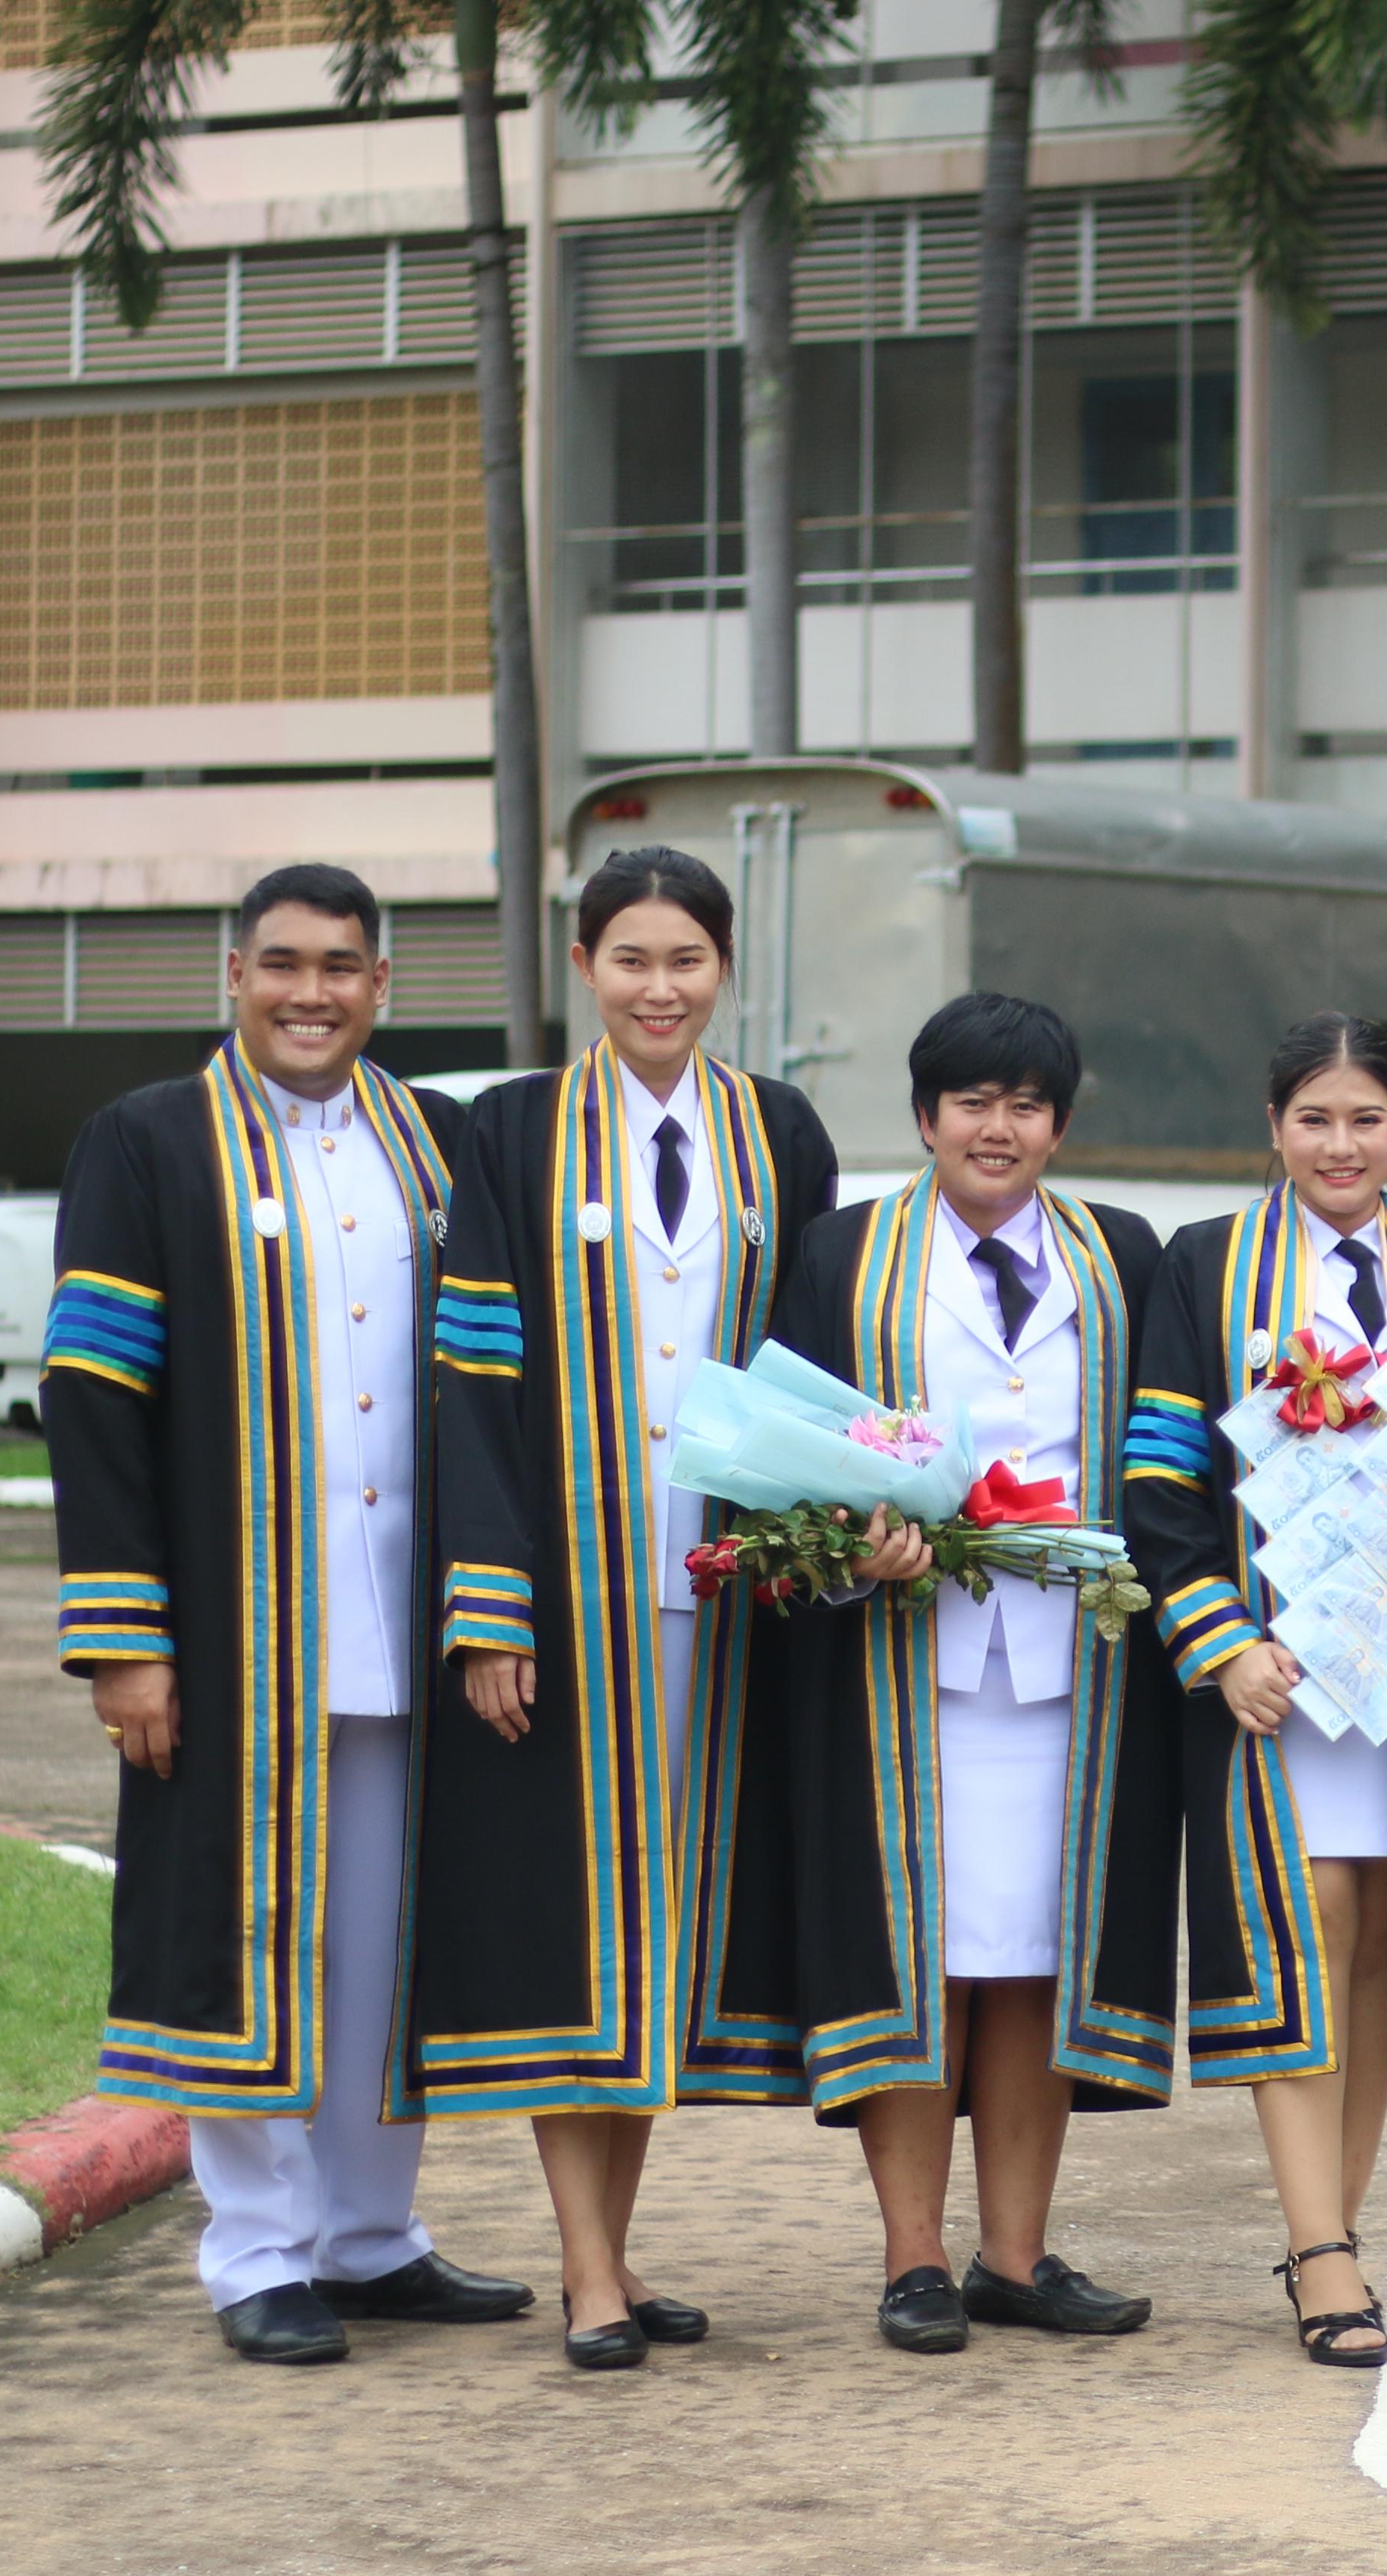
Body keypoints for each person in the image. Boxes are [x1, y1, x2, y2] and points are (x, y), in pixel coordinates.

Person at [43, 866, 531, 2365]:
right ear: (233, 974)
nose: (309, 994)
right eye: (281, 966)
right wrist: (126, 1638)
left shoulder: (437, 1143)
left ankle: (374, 2238)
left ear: (382, 986)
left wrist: (495, 1598)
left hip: (402, 1614)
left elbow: (495, 1383)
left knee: (389, 1944)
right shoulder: (145, 1141)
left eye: (340, 969)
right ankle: (257, 2252)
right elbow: (94, 1401)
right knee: (249, 1937)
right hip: (236, 1628)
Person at [401, 847, 841, 2370]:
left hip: (721, 1599)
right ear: (584, 965)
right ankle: (587, 2269)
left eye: (689, 961)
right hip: (568, 1595)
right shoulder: (511, 1132)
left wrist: (830, 1540)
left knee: (666, 1927)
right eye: (633, 959)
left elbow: (803, 1366)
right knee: (567, 1919)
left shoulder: (777, 1131)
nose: (662, 989)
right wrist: (489, 1606)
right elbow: (468, 1383)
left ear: (726, 971)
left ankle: (621, 2247)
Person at [1122, 1014, 1387, 2367]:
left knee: (1377, 1942)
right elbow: (1158, 1477)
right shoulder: (1208, 1270)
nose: (1341, 1144)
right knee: (1300, 1923)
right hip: (1281, 1677)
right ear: (1275, 1128)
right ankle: (1321, 2252)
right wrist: (1218, 1640)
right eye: (1316, 1119)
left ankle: (1335, 2235)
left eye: (1367, 1119)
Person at [763, 994, 1182, 2353]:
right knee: (920, 1954)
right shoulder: (843, 1252)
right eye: (970, 1103)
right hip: (903, 1664)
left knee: (1033, 1960)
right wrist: (849, 1547)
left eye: (1025, 1104)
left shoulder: (1121, 1254)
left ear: (1062, 1119)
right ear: (925, 1117)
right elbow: (787, 1445)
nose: (997, 1129)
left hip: (1073, 1669)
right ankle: (912, 2257)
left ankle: (1015, 2253)